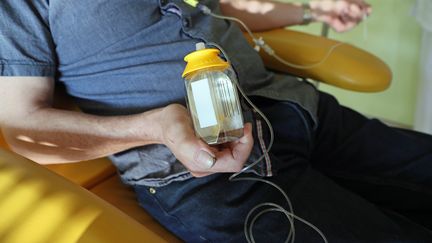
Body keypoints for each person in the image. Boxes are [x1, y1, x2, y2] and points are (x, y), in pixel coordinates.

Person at [1, 0, 431, 242]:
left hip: (295, 107)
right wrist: (157, 126)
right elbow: (23, 127)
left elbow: (220, 7)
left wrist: (311, 12)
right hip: (206, 174)